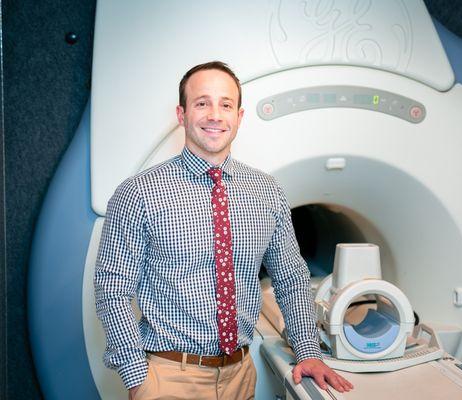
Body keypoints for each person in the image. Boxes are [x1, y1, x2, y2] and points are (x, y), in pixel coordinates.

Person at [94, 61, 353, 399]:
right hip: (169, 377)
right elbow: (112, 288)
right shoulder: (140, 192)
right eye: (202, 103)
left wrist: (308, 352)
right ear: (181, 114)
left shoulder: (267, 191)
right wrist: (138, 377)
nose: (215, 115)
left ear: (239, 117)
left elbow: (291, 277)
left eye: (225, 104)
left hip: (240, 377)